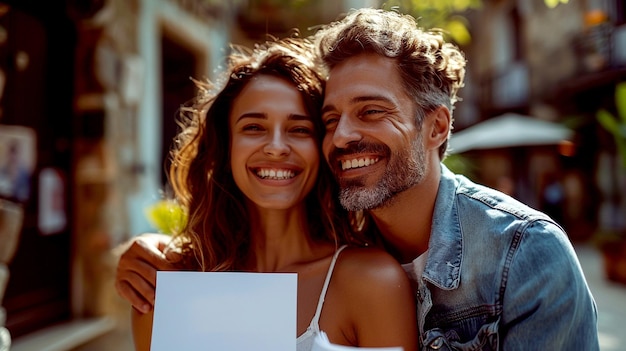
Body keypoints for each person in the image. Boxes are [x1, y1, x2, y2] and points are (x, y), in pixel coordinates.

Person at [116, 8, 599, 350]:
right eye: (329, 120)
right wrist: (145, 250)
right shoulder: (352, 223)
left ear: (436, 127)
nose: (343, 136)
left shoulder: (525, 254)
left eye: (370, 111)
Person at [128, 36, 417, 351]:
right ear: (226, 149)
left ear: (323, 149)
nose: (277, 148)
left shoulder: (372, 281)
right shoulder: (165, 284)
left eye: (299, 130)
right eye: (253, 128)